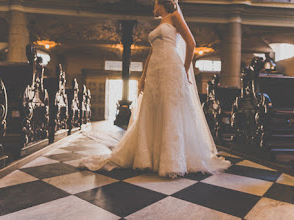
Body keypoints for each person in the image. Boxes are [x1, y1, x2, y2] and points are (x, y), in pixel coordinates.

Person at [73, 0, 231, 178]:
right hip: (155, 71)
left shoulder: (174, 17)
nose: (153, 6)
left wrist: (185, 69)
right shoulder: (161, 23)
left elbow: (191, 43)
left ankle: (171, 160)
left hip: (171, 68)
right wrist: (143, 77)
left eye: (155, 3)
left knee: (169, 109)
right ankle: (150, 157)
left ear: (162, 3)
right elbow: (151, 53)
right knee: (153, 109)